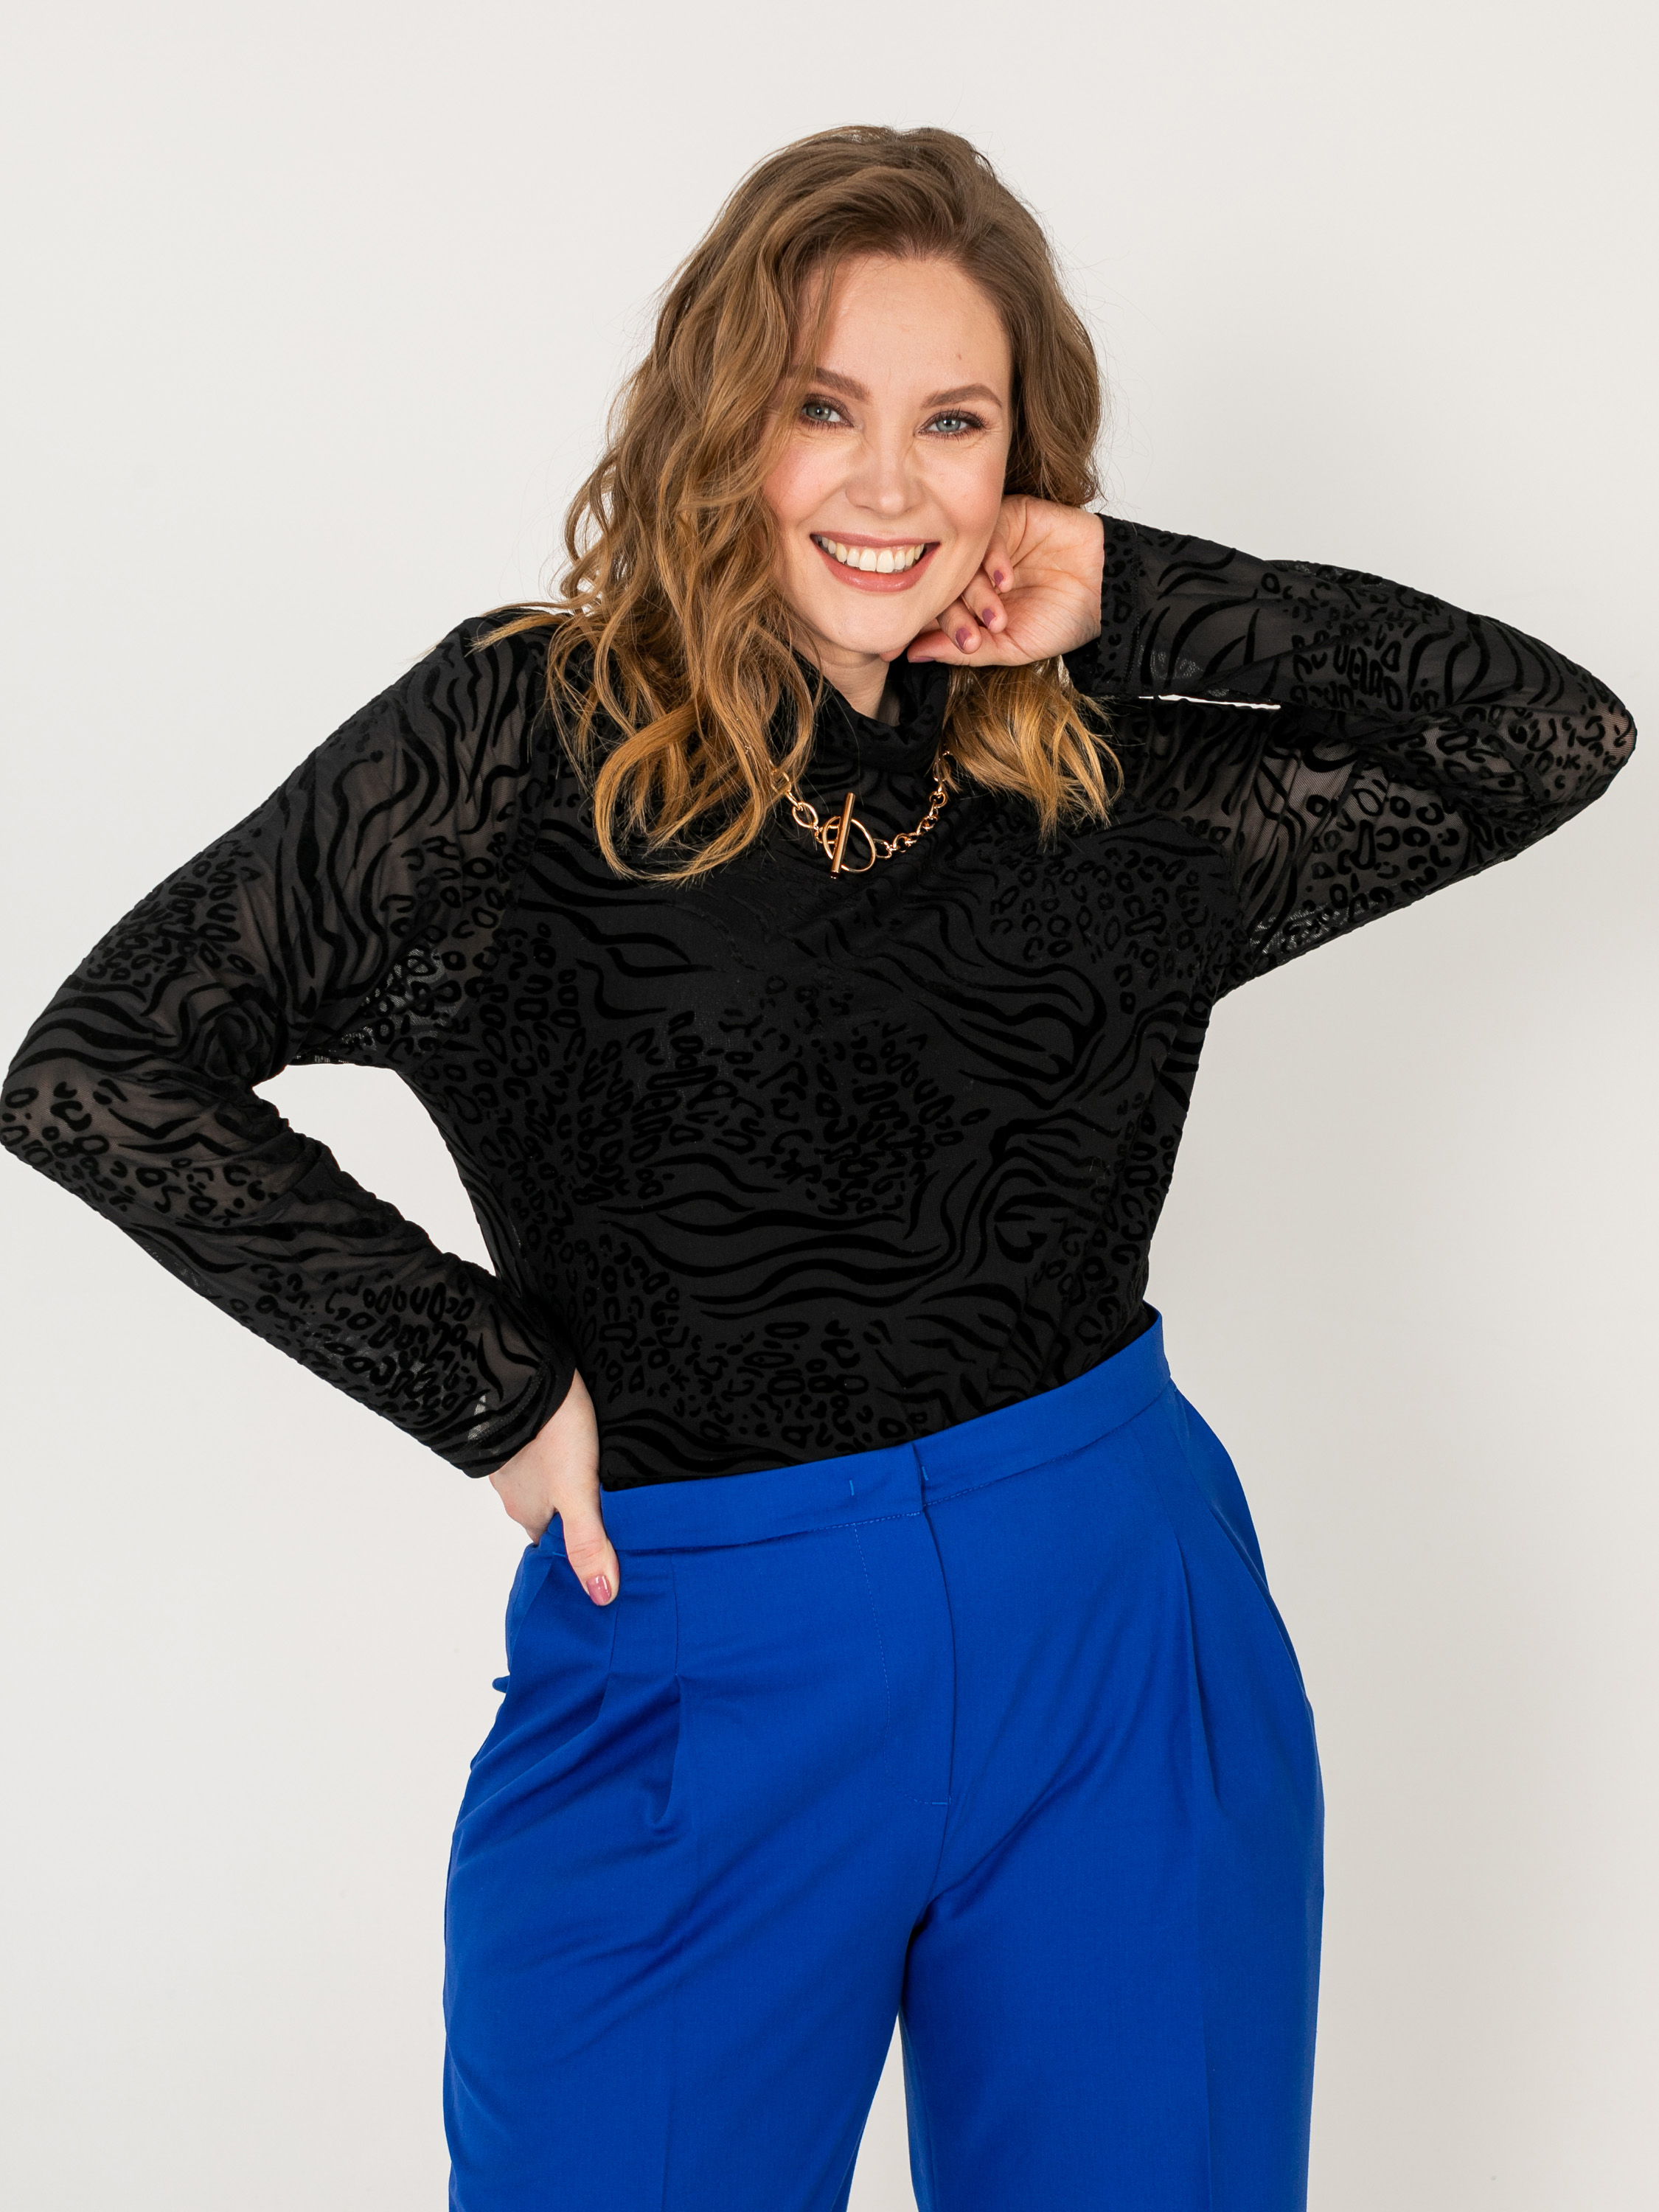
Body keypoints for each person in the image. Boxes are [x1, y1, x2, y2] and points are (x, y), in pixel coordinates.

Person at [1, 123, 1635, 2212]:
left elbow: (1546, 736)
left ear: (1023, 458)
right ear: (722, 425)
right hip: (704, 1649)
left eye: (954, 421)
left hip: (1117, 1625)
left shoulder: (1104, 790)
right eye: (821, 408)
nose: (889, 485)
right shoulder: (526, 740)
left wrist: (1130, 591)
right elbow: (103, 1065)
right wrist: (481, 1381)